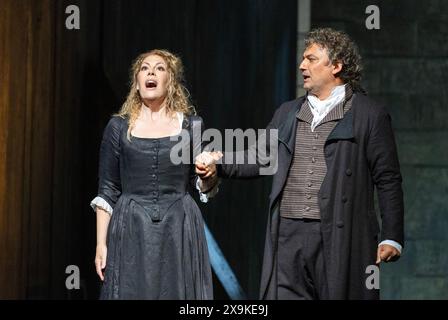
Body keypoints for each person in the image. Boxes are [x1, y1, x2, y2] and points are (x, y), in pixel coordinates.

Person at [196, 28, 404, 300]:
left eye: (311, 59)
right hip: (288, 234)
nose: (302, 65)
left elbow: (387, 178)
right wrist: (218, 163)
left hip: (339, 235)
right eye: (303, 59)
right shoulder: (288, 112)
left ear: (336, 66)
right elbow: (260, 157)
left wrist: (392, 235)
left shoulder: (368, 114)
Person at [90, 49, 219, 299]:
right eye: (144, 68)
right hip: (131, 228)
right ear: (137, 83)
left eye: (160, 68)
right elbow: (107, 189)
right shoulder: (118, 127)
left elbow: (201, 183)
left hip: (178, 228)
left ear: (170, 82)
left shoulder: (191, 126)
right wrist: (100, 244)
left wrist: (208, 173)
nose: (151, 71)